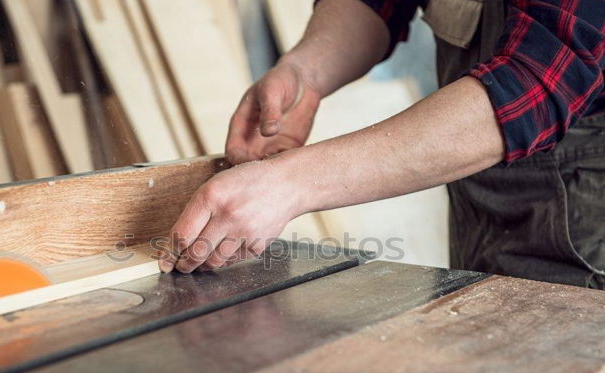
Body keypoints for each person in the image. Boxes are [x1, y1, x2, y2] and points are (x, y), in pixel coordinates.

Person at [158, 0, 605, 289]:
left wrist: (291, 183)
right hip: (484, 204)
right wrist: (308, 71)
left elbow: (537, 80)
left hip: (585, 229)